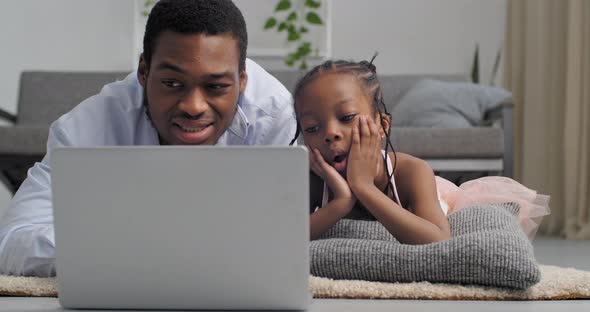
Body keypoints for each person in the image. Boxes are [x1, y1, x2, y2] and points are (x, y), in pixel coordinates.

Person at [0, 0, 295, 277]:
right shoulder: (92, 124)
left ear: (242, 81)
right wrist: (127, 250)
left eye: (216, 86)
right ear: (143, 71)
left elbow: (287, 239)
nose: (194, 106)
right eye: (172, 83)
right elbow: (11, 241)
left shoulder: (274, 116)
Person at [290, 57, 550, 242]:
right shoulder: (314, 179)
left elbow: (437, 239)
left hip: (440, 200)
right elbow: (286, 240)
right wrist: (342, 201)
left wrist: (364, 187)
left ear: (382, 125)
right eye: (312, 128)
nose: (330, 134)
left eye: (346, 117)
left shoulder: (411, 172)